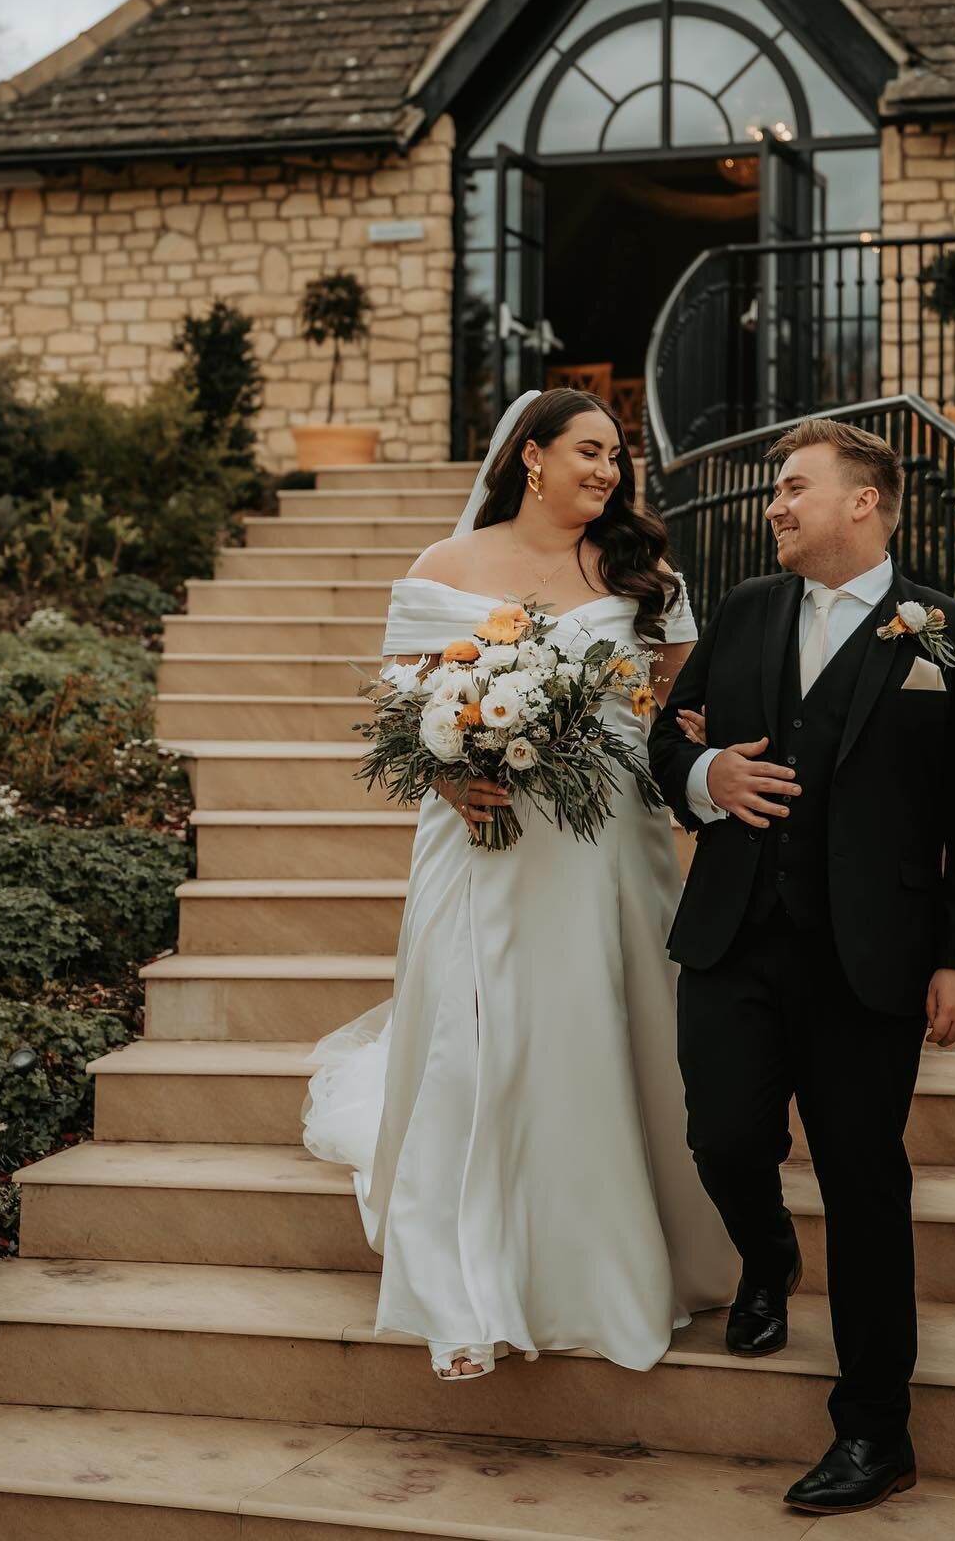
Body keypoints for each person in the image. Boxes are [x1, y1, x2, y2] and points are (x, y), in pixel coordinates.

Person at [301, 387, 737, 1382]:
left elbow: (678, 710)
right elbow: (404, 707)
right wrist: (455, 774)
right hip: (479, 838)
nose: (609, 471)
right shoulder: (442, 569)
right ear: (531, 457)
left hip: (607, 845)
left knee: (597, 1025)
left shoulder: (642, 573)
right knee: (472, 1034)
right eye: (590, 451)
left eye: (618, 459)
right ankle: (464, 1283)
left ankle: (611, 1252)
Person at [649, 416, 955, 1517]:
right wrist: (708, 775)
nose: (774, 504)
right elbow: (667, 739)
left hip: (873, 960)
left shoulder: (944, 631)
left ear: (866, 500)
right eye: (775, 489)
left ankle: (874, 1428)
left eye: (794, 486)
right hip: (735, 934)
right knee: (722, 1136)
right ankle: (765, 1257)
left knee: (863, 1182)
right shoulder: (752, 611)